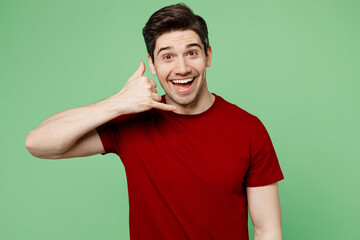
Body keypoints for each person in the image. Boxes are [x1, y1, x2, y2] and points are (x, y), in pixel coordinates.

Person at [25, 3, 284, 240]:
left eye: (192, 53)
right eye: (167, 56)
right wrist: (118, 103)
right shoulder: (132, 121)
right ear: (152, 64)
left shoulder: (248, 129)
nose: (182, 68)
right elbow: (38, 143)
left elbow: (267, 230)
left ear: (208, 56)